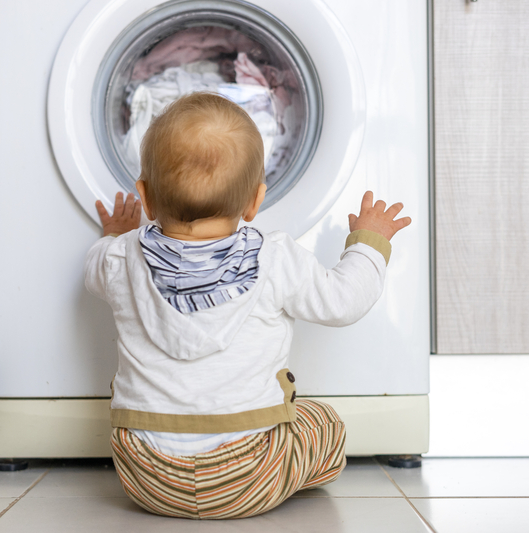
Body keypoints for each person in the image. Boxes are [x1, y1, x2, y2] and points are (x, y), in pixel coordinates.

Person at [85, 92, 410, 519]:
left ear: (144, 198)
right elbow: (343, 301)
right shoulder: (274, 257)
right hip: (251, 474)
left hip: (146, 476)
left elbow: (91, 272)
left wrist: (115, 234)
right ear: (256, 201)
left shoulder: (119, 258)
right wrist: (370, 243)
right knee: (323, 422)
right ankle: (288, 477)